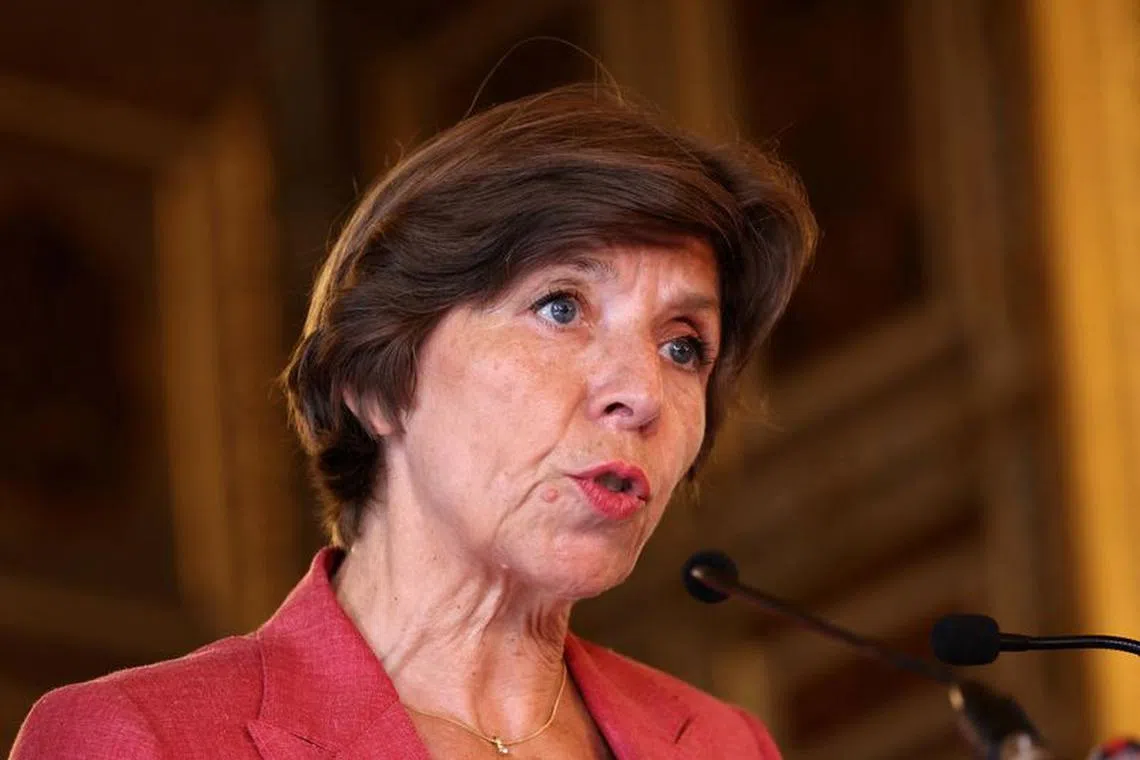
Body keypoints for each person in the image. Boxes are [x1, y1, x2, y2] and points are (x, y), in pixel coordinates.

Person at [10, 83, 816, 759]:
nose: (642, 393)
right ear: (376, 378)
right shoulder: (139, 740)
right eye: (561, 305)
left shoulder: (724, 744)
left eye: (683, 347)